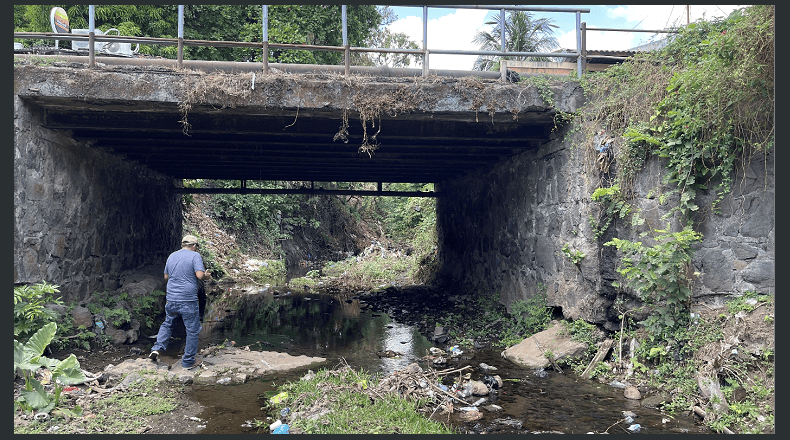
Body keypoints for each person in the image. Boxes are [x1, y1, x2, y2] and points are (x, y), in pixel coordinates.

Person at [149, 235, 210, 369]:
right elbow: (200, 275)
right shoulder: (195, 256)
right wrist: (207, 275)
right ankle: (188, 361)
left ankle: (157, 348)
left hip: (171, 298)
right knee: (192, 330)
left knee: (168, 323)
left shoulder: (172, 256)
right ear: (194, 246)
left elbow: (166, 277)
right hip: (188, 299)